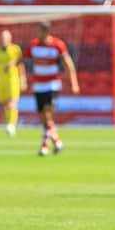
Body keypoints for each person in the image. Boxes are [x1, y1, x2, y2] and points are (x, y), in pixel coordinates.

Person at [19, 21, 79, 156]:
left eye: (40, 31)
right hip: (38, 86)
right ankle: (57, 141)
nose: (38, 33)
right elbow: (22, 59)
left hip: (52, 85)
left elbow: (68, 64)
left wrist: (74, 83)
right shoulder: (34, 45)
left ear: (47, 31)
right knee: (45, 119)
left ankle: (44, 146)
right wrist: (13, 66)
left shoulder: (58, 45)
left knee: (47, 114)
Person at [0, 29, 26, 136]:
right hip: (0, 80)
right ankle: (8, 123)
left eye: (5, 38)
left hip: (13, 79)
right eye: (1, 38)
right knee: (4, 104)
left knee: (12, 102)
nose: (3, 40)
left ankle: (12, 125)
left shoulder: (15, 49)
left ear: (10, 39)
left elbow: (20, 64)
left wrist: (23, 78)